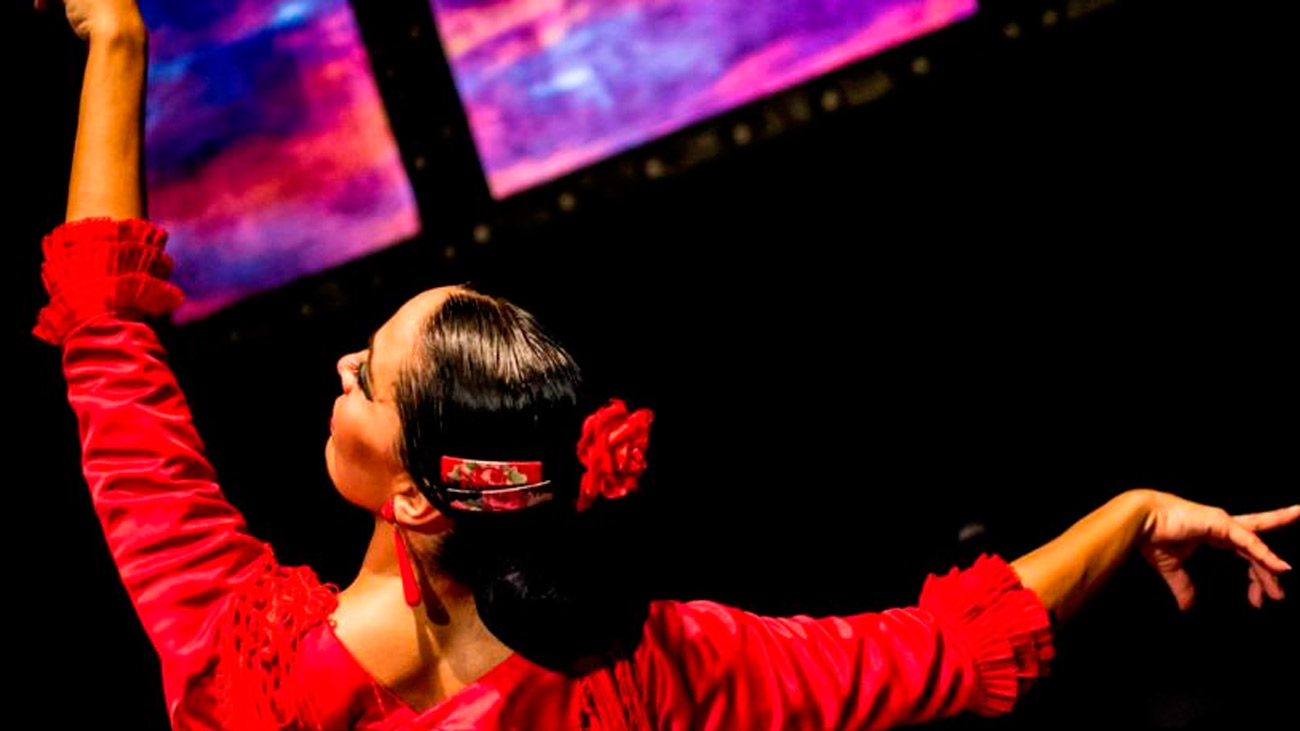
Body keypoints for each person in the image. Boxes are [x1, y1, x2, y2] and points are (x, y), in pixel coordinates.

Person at [33, 1, 1297, 729]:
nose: (344, 359)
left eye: (369, 375)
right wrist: (1130, 512)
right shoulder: (653, 671)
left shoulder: (233, 657)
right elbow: (940, 653)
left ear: (419, 493)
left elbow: (108, 343)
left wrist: (120, 44)